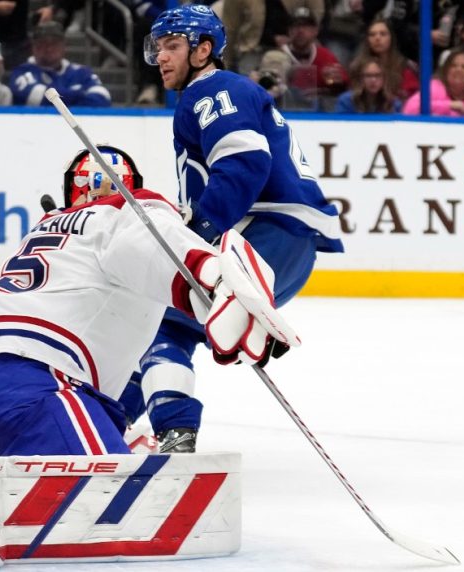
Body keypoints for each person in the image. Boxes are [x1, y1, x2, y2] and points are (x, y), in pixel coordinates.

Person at [0, 145, 278, 565]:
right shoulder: (129, 212)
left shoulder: (49, 226)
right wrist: (211, 275)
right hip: (29, 380)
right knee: (121, 496)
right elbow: (153, 242)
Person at [139, 4, 343, 452]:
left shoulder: (213, 90)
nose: (162, 57)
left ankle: (168, 429)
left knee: (159, 326)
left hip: (263, 237)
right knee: (172, 327)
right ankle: (112, 419)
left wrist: (198, 231)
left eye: (172, 46)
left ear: (203, 50)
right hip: (288, 246)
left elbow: (244, 163)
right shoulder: (218, 92)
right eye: (157, 48)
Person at [9, 20, 111, 107]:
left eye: (54, 43)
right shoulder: (22, 72)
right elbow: (38, 99)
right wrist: (80, 93)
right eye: (43, 43)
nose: (49, 48)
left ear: (64, 46)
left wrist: (63, 96)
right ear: (33, 47)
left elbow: (103, 98)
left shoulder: (81, 72)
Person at [279, 6, 347, 107]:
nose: (300, 31)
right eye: (296, 26)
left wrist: (337, 84)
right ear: (289, 31)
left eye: (306, 26)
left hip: (318, 111)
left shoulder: (325, 56)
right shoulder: (277, 56)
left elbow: (343, 86)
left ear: (316, 31)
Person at [355, 17, 419, 102]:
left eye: (383, 34)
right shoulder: (357, 67)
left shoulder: (405, 67)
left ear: (391, 38)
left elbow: (414, 100)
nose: (377, 38)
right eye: (372, 34)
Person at [334, 57, 401, 113]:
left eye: (378, 75)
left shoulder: (393, 103)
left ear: (384, 78)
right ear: (360, 78)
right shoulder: (346, 101)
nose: (373, 80)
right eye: (368, 75)